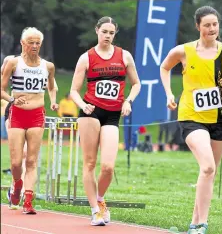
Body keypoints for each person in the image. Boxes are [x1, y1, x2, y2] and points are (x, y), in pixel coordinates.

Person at [160, 6, 222, 234]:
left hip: (220, 120)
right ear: (198, 26)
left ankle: (193, 223)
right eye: (207, 25)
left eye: (214, 24)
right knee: (207, 167)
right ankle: (201, 224)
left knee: (209, 172)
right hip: (191, 117)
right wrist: (168, 93)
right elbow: (165, 67)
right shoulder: (184, 51)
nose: (212, 29)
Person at [70, 16, 141, 226]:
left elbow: (136, 84)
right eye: (104, 32)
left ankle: (100, 199)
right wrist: (82, 106)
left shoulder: (124, 56)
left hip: (112, 114)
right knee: (90, 162)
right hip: (90, 111)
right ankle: (95, 211)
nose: (107, 36)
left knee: (108, 166)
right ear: (97, 31)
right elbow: (73, 90)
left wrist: (128, 101)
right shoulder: (86, 58)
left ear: (115, 34)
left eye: (111, 33)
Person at [1, 27, 59, 214]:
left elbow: (52, 86)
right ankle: (17, 184)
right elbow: (1, 89)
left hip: (36, 115)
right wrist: (12, 99)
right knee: (17, 163)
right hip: (17, 114)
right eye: (31, 43)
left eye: (37, 43)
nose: (34, 46)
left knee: (32, 161)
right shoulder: (13, 62)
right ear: (22, 43)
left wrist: (53, 101)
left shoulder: (48, 66)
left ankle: (28, 201)